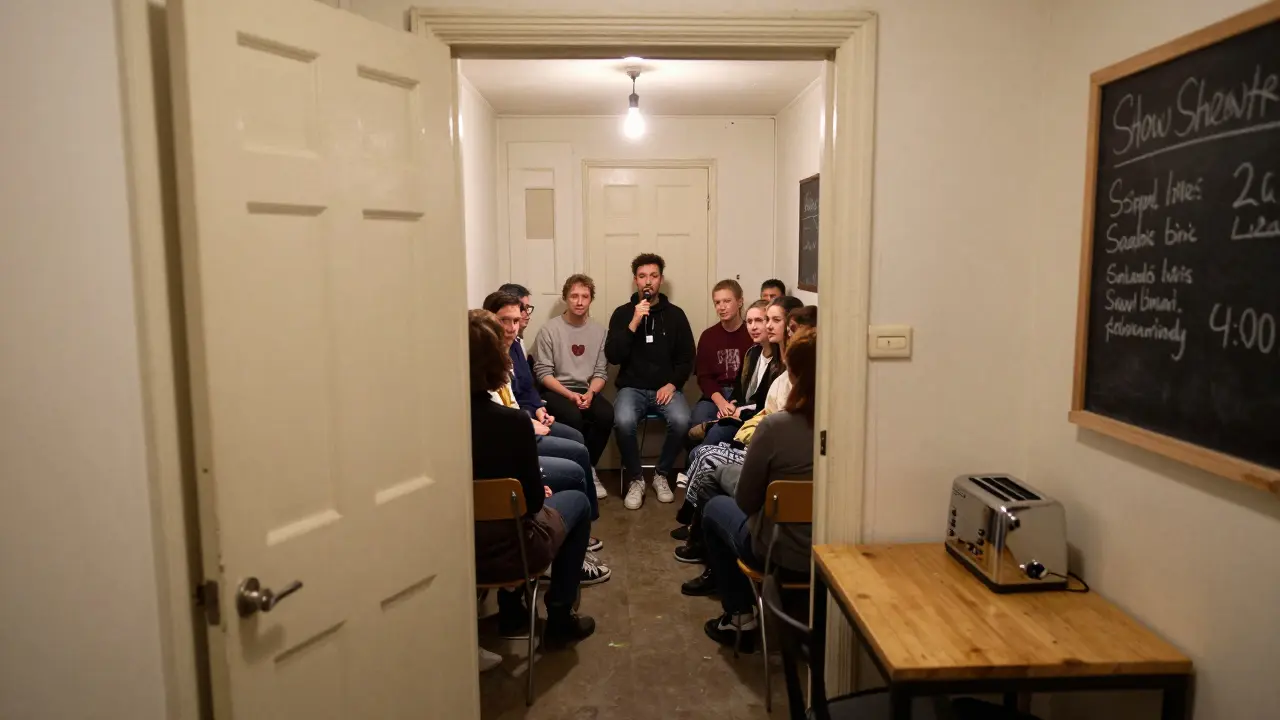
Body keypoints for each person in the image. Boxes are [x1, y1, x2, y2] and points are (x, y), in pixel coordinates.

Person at [468, 309, 597, 646]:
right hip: (515, 551)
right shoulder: (512, 424)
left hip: (460, 550)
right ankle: (560, 617)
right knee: (579, 502)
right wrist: (536, 491)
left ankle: (512, 612)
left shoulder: (442, 422)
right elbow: (535, 502)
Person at [690, 326, 818, 652]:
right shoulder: (849, 426)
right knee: (720, 477)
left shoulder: (776, 427)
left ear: (793, 373)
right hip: (830, 549)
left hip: (779, 549)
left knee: (713, 506)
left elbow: (747, 500)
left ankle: (739, 615)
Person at [483, 292, 609, 583]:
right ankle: (571, 548)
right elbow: (507, 418)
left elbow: (522, 393)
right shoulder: (489, 369)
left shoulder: (512, 349)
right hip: (518, 445)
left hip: (522, 427)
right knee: (576, 469)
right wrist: (527, 423)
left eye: (517, 319)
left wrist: (538, 410)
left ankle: (581, 532)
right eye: (505, 321)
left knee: (580, 440)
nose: (512, 327)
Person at [673, 295, 804, 566]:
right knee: (697, 439)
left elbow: (766, 413)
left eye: (771, 320)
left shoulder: (786, 371)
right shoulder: (753, 354)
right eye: (756, 321)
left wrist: (742, 416)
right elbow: (738, 390)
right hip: (749, 421)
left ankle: (697, 529)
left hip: (757, 432)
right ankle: (697, 526)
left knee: (707, 449)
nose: (762, 326)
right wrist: (731, 405)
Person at [605, 253, 695, 510]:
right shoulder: (623, 314)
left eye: (653, 276)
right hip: (631, 388)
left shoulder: (676, 315)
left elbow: (687, 358)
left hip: (666, 388)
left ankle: (661, 474)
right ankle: (636, 479)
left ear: (661, 280)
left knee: (682, 421)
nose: (648, 281)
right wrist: (634, 322)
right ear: (635, 280)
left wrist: (672, 384)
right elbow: (613, 356)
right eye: (642, 276)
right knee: (622, 421)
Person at [533, 274, 614, 499]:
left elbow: (600, 372)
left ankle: (589, 467)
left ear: (591, 299)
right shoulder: (549, 330)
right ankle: (575, 470)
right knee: (573, 416)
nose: (579, 302)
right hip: (556, 389)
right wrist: (569, 395)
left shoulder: (600, 331)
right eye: (574, 296)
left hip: (586, 389)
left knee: (606, 415)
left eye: (585, 296)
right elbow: (543, 373)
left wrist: (590, 393)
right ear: (565, 298)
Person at [692, 280, 754, 429]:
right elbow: (704, 377)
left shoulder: (752, 333)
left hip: (744, 394)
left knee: (732, 425)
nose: (721, 307)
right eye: (717, 302)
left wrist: (735, 402)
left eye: (727, 301)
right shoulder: (708, 336)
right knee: (697, 420)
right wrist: (721, 403)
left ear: (740, 302)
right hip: (716, 394)